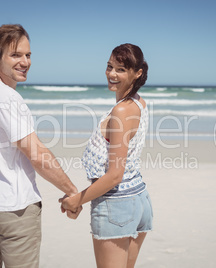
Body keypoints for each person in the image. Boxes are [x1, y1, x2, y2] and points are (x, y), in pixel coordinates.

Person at [0, 24, 81, 268]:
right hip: (14, 209)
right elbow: (37, 154)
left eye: (28, 55)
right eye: (15, 55)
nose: (25, 62)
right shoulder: (7, 97)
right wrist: (73, 192)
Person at [60, 43, 153, 268]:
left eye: (121, 69)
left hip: (116, 205)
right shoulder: (139, 102)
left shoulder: (122, 111)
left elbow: (114, 175)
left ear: (137, 73)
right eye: (110, 66)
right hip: (138, 198)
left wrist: (76, 200)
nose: (112, 74)